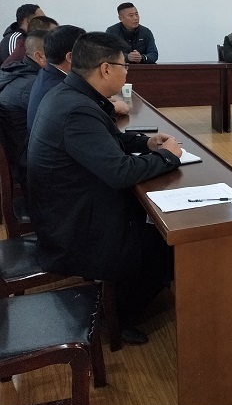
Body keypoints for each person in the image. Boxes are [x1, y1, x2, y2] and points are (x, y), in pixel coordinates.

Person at [27, 32, 181, 343]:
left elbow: (107, 141)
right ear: (106, 69)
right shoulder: (76, 109)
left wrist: (146, 143)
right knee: (165, 242)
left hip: (69, 205)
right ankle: (115, 316)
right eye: (125, 66)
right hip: (72, 226)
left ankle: (121, 298)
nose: (127, 73)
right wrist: (168, 157)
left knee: (153, 224)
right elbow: (120, 172)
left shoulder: (70, 94)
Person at [0, 30, 47, 194]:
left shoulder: (16, 72)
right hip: (28, 166)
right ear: (40, 56)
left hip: (20, 156)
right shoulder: (34, 86)